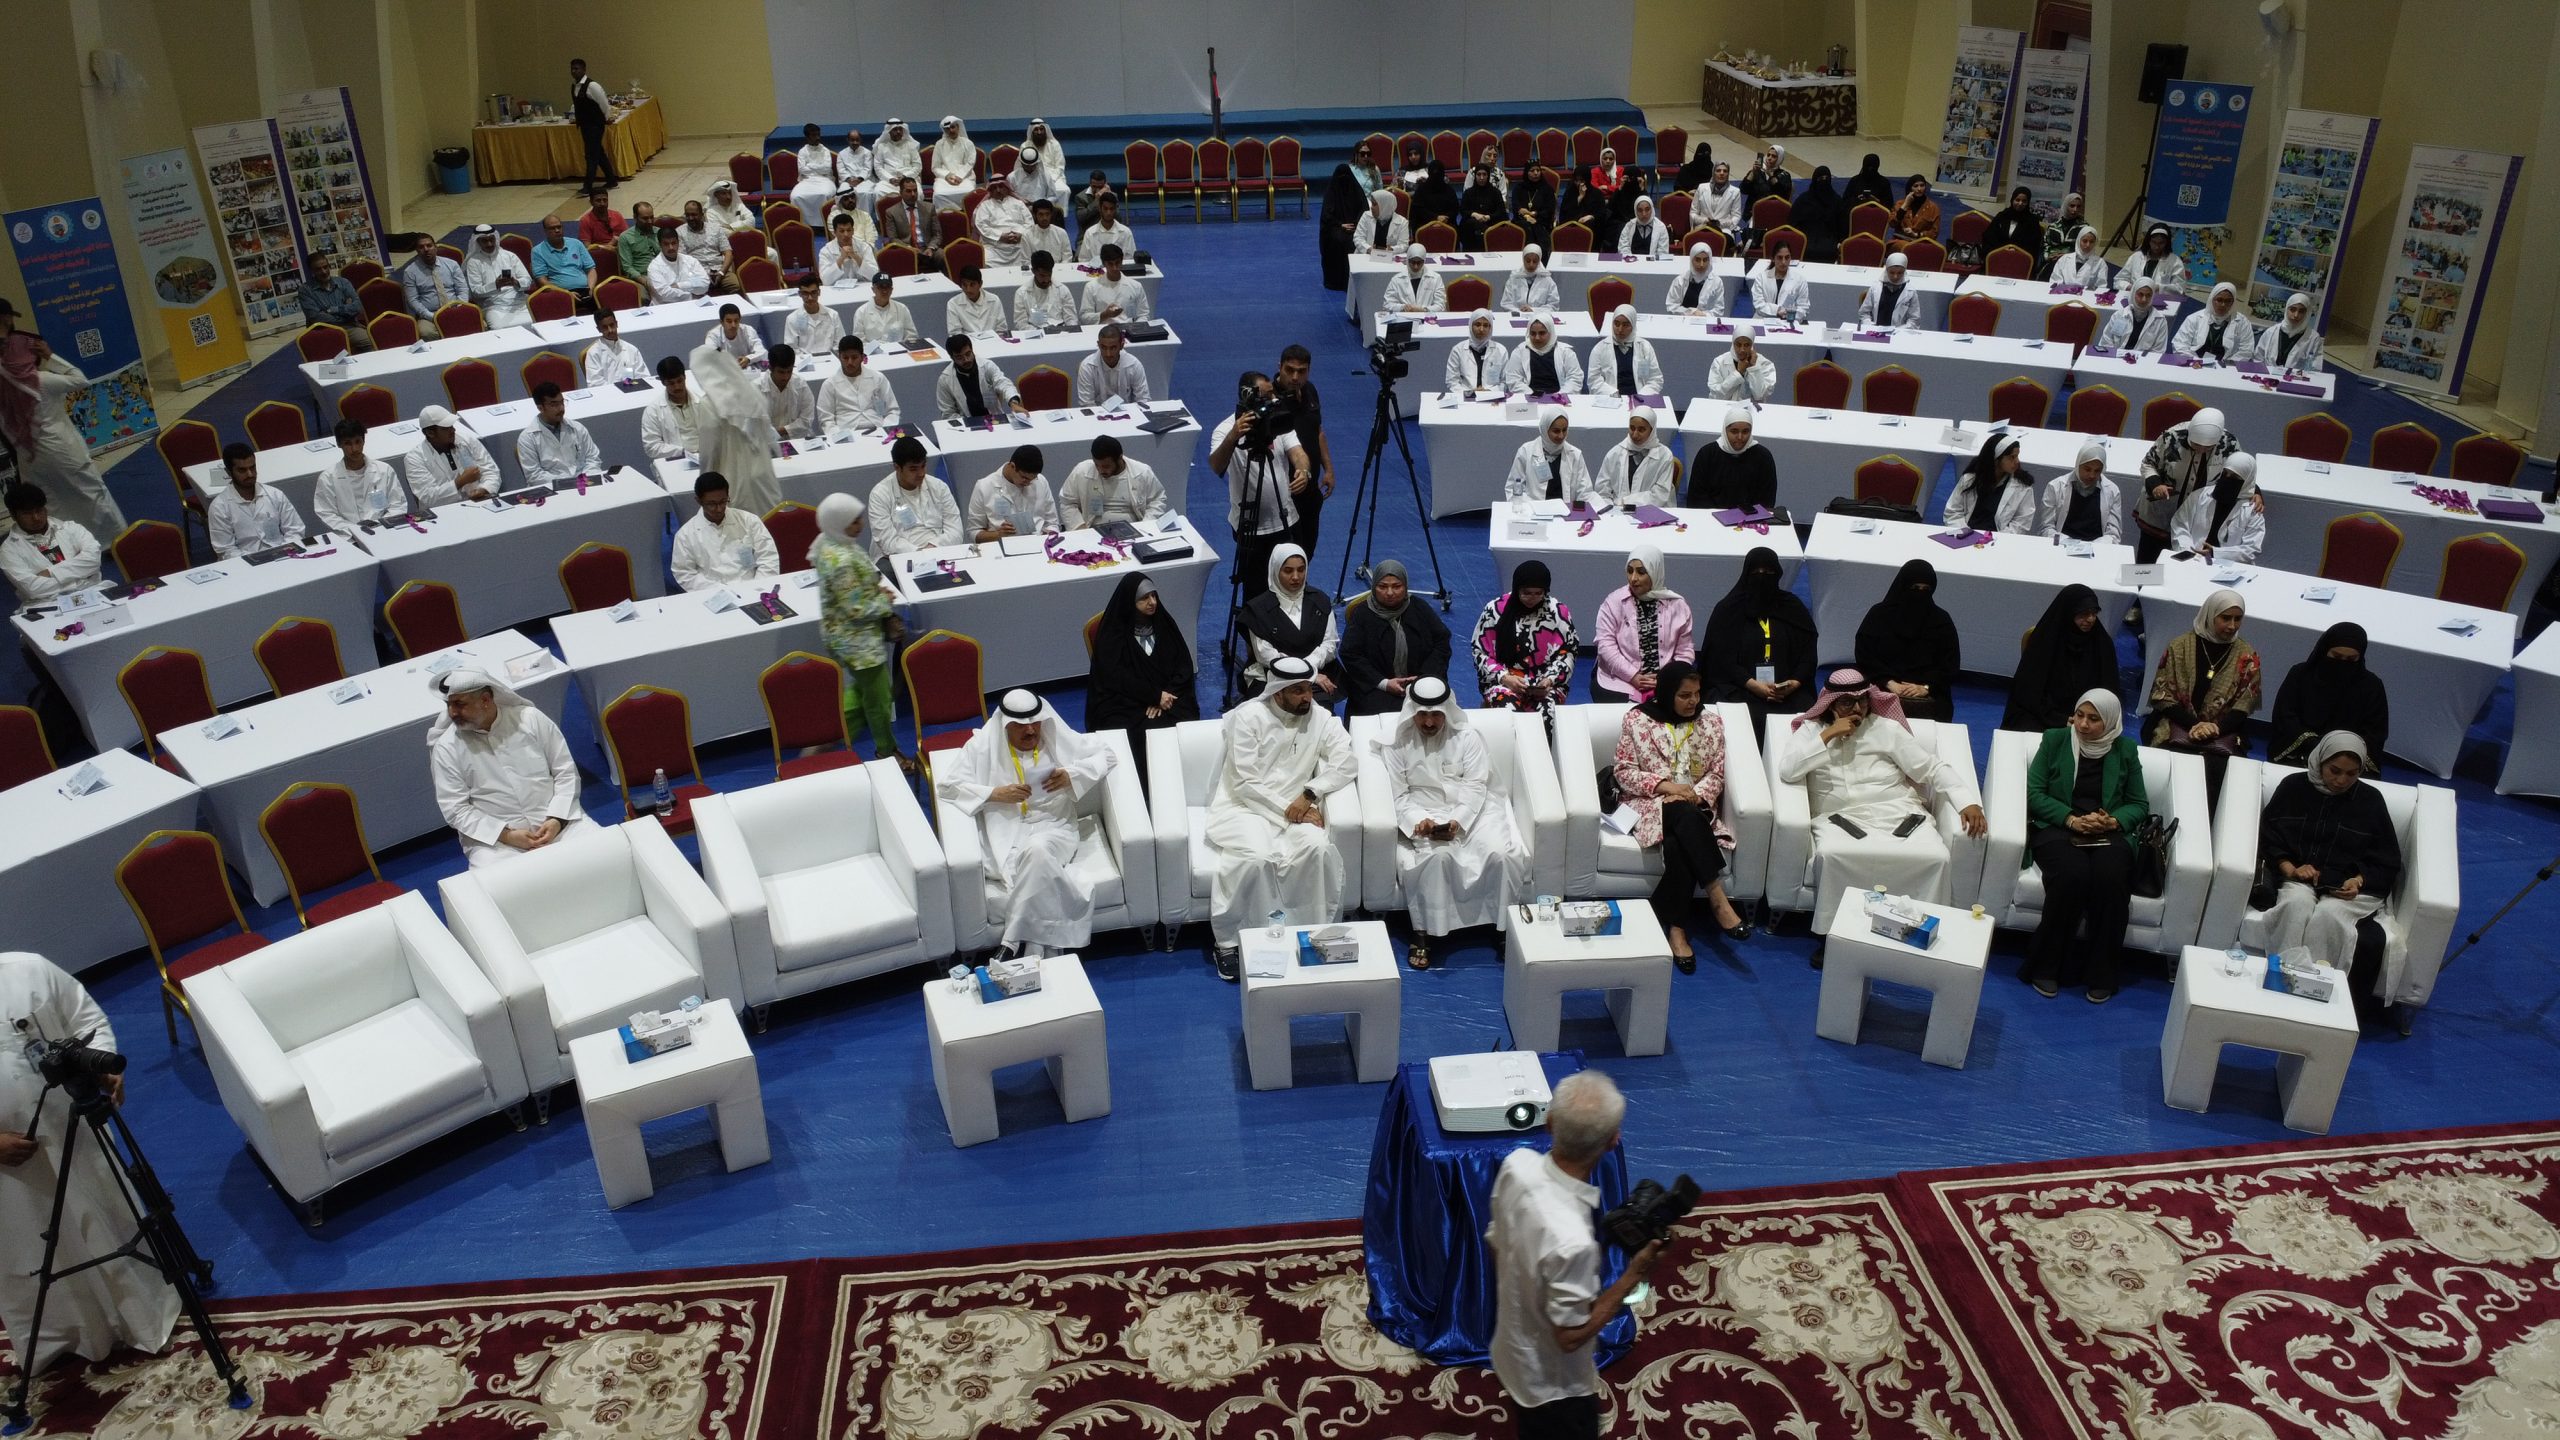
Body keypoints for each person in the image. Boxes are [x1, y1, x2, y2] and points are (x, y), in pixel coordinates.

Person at [0, 951, 182, 1379]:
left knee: (106, 1219)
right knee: (30, 1246)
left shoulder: (28, 969)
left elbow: (86, 1021)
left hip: (74, 1128)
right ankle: (61, 1336)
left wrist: (103, 1066)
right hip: (8, 1169)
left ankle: (141, 1316)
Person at [1487, 1069, 1661, 1440]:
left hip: (1510, 1347)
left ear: (1549, 1122)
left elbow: (1495, 1243)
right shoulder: (1573, 1242)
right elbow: (1569, 1338)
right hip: (1553, 1388)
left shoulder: (1516, 1164)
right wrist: (1633, 1275)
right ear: (1613, 1142)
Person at [1781, 669, 1987, 965]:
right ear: (1830, 703)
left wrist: (1967, 801)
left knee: (1936, 857)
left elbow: (1930, 768)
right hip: (1839, 818)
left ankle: (1920, 936)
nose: (1857, 709)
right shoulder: (1812, 730)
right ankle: (1832, 937)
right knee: (1833, 855)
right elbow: (1788, 771)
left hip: (1897, 811)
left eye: (1862, 701)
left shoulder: (1886, 728)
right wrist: (1829, 734)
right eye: (1847, 703)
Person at [1203, 655, 1358, 977]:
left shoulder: (1321, 718)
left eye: (1309, 689)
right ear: (1278, 691)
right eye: (1298, 691)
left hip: (1298, 809)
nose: (1307, 698)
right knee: (1257, 857)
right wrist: (1291, 811)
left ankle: (1314, 935)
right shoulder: (1247, 718)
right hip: (1243, 808)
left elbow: (1347, 761)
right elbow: (1245, 783)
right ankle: (1229, 943)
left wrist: (1310, 793)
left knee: (1319, 849)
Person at [937, 690, 1119, 956]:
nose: (1031, 731)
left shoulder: (1056, 740)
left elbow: (1108, 756)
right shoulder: (982, 747)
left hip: (1056, 827)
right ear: (1005, 725)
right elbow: (948, 787)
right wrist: (994, 794)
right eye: (1021, 726)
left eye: (1035, 723)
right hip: (1006, 834)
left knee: (1038, 850)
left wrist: (1072, 775)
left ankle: (1010, 942)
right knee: (1038, 864)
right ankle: (1038, 950)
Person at [1380, 677, 1529, 966]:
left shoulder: (1468, 737)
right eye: (1422, 715)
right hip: (1422, 810)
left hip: (1474, 811)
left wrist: (1457, 822)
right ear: (1412, 712)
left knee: (1500, 853)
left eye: (1436, 714)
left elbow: (1476, 785)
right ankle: (1424, 932)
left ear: (1447, 711)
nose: (1429, 722)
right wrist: (1419, 822)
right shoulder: (1397, 742)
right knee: (1438, 858)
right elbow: (1398, 796)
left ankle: (1503, 929)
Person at [1613, 660, 1754, 962]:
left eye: (1697, 694)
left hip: (1694, 807)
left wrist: (1693, 796)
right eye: (1685, 695)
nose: (1694, 701)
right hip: (1649, 803)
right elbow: (1623, 772)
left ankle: (1676, 929)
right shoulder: (1637, 720)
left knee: (1680, 840)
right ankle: (1717, 897)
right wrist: (1666, 787)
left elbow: (1716, 774)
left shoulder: (1711, 723)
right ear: (1666, 693)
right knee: (1683, 816)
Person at [2017, 689, 2148, 1001]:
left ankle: (2101, 973)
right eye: (2079, 715)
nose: (2083, 724)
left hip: (2107, 830)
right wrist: (2071, 819)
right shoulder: (2054, 740)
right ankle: (2046, 967)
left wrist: (2113, 821)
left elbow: (2138, 803)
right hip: (2058, 827)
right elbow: (2034, 793)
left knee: (2111, 880)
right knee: (2072, 876)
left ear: (2111, 722)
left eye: (2093, 719)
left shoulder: (2126, 749)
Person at [2258, 731, 2402, 1000]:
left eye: (2351, 774)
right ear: (2319, 761)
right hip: (2298, 879)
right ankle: (2279, 983)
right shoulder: (2293, 787)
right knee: (2295, 905)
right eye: (2334, 771)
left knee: (2329, 915)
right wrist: (2290, 868)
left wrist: (2358, 880)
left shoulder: (2370, 801)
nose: (2341, 780)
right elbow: (2268, 835)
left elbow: (2386, 858)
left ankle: (2315, 990)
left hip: (2347, 888)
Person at [429, 667, 591, 868]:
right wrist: (507, 835)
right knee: (499, 882)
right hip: (496, 843)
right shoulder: (446, 748)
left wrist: (557, 819)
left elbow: (565, 771)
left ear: (486, 700)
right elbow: (456, 809)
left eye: (460, 704)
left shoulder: (530, 719)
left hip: (560, 822)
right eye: (449, 705)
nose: (452, 713)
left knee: (604, 853)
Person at [805, 492, 910, 772]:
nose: (860, 525)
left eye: (859, 518)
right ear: (838, 522)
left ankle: (826, 741)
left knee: (865, 691)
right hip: (858, 642)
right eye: (852, 521)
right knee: (879, 700)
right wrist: (884, 601)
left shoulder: (831, 541)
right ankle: (886, 752)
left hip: (851, 638)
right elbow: (856, 608)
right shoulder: (840, 560)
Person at [0, 311, 126, 541]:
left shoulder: (4, 386)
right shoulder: (42, 380)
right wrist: (51, 356)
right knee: (91, 492)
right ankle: (114, 540)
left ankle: (66, 544)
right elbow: (80, 379)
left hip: (28, 455)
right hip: (61, 448)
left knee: (50, 501)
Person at [2147, 587, 2260, 803]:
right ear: (2210, 615)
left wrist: (2215, 728)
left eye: (2238, 619)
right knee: (2170, 774)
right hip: (2176, 724)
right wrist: (2195, 725)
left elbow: (2244, 704)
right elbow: (2162, 695)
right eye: (2225, 618)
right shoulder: (2179, 647)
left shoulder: (2247, 656)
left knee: (2220, 780)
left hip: (2222, 732)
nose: (2232, 626)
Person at [1086, 572, 1201, 773]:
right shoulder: (1113, 634)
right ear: (1130, 601)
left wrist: (1166, 696)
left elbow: (1183, 666)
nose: (1152, 602)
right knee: (1139, 732)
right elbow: (1114, 676)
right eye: (1144, 598)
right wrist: (1153, 696)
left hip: (1167, 697)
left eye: (1154, 596)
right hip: (1126, 699)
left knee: (1184, 720)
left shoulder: (1165, 625)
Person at [1698, 546, 1816, 735]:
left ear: (1777, 574)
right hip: (1741, 687)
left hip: (1787, 691)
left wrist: (1794, 682)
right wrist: (1752, 684)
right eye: (1756, 572)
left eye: (1769, 572)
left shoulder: (1792, 608)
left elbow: (1808, 653)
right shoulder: (1729, 610)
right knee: (1736, 719)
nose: (1762, 577)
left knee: (1807, 717)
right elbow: (1720, 658)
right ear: (1747, 574)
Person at [1471, 560, 1578, 728]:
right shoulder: (1494, 610)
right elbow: (1480, 651)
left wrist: (1550, 679)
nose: (1532, 598)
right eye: (1526, 593)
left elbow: (1568, 652)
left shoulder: (1558, 612)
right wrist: (1504, 677)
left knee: (1547, 716)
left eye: (1538, 593)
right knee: (1510, 717)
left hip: (1544, 683)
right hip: (1504, 680)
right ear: (1517, 589)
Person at [1340, 558, 1451, 717]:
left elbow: (1442, 643)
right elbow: (1350, 654)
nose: (1390, 593)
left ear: (1406, 586)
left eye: (1397, 586)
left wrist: (1423, 678)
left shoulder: (1420, 608)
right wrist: (1384, 683)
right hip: (1376, 688)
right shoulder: (1362, 614)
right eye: (1382, 586)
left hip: (1421, 683)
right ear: (1374, 587)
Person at [1853, 559, 1961, 721]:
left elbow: (1950, 665)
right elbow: (1865, 655)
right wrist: (1889, 682)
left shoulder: (1941, 621)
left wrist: (1926, 687)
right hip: (1882, 684)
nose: (1920, 594)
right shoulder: (1879, 615)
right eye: (1915, 588)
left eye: (1926, 589)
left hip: (1929, 691)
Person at [2270, 623, 2388, 769]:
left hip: (2348, 759)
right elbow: (2285, 716)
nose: (2342, 664)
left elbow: (2374, 733)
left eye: (2351, 660)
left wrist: (2340, 750)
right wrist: (2314, 744)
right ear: (2324, 651)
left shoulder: (2371, 686)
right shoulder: (2301, 674)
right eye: (2336, 656)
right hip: (2300, 752)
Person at [2002, 585, 2117, 733]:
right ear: (2069, 613)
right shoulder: (2045, 641)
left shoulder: (2101, 644)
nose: (2090, 619)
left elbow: (2109, 689)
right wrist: (2059, 719)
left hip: (2088, 713)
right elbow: (2028, 691)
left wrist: (2086, 716)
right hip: (2044, 711)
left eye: (2094, 613)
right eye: (2083, 614)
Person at [1240, 543, 1341, 700]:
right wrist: (1307, 674)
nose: (1296, 577)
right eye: (1288, 571)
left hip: (1318, 673)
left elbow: (1330, 644)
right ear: (1275, 570)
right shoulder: (1258, 609)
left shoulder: (1320, 600)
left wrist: (1308, 668)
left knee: (1322, 707)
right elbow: (1265, 655)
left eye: (1301, 570)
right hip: (1273, 676)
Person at [1593, 546, 1692, 705]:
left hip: (1664, 680)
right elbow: (1605, 646)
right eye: (1629, 571)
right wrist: (1632, 676)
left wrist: (1668, 679)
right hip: (1620, 679)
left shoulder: (1678, 606)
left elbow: (1684, 651)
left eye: (1641, 572)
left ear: (1655, 572)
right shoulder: (1613, 602)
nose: (1633, 578)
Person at [2136, 407, 2236, 563]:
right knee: (2148, 562)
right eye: (2196, 445)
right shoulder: (2171, 436)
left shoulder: (2228, 443)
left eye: (2207, 448)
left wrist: (2254, 491)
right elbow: (2148, 464)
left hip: (2195, 518)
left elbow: (2238, 471)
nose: (2201, 450)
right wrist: (2155, 485)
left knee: (2185, 561)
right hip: (2161, 512)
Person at [671, 470, 779, 592]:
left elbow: (769, 558)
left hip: (754, 588)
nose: (719, 509)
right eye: (711, 504)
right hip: (712, 592)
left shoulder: (749, 521)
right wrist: (720, 591)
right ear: (699, 501)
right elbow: (684, 573)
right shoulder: (685, 535)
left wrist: (758, 588)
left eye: (723, 502)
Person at [1, 481, 103, 603]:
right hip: (48, 605)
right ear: (13, 516)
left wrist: (50, 572)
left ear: (45, 509)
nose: (36, 518)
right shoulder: (8, 550)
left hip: (93, 592)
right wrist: (80, 575)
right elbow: (33, 589)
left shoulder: (71, 528)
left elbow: (94, 560)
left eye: (39, 510)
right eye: (27, 514)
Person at [865, 436, 964, 557]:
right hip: (896, 556)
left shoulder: (939, 487)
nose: (921, 473)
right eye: (913, 469)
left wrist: (933, 548)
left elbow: (955, 531)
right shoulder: (880, 494)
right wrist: (919, 554)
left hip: (938, 550)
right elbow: (888, 542)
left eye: (923, 466)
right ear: (897, 467)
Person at [205, 444, 307, 557]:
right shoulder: (219, 507)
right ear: (228, 472)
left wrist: (283, 552)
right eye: (242, 470)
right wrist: (257, 559)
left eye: (252, 467)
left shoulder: (275, 495)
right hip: (245, 562)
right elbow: (225, 550)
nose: (250, 474)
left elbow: (295, 530)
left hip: (283, 555)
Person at [312, 416, 412, 531]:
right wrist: (355, 531)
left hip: (385, 530)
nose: (354, 448)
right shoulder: (328, 478)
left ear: (363, 441)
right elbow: (326, 513)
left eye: (357, 442)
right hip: (348, 535)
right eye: (348, 443)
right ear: (339, 445)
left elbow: (397, 505)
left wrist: (381, 527)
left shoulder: (385, 470)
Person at [1059, 433, 1173, 530]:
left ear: (1120, 458)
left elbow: (1157, 500)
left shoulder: (1142, 472)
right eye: (1097, 465)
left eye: (1106, 466)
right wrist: (1080, 528)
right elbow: (1067, 502)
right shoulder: (1081, 471)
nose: (1100, 470)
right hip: (1092, 530)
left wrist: (1146, 526)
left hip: (1134, 529)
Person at [2169, 451, 2266, 564]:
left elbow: (2251, 549)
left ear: (2246, 480)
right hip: (2191, 560)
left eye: (2234, 477)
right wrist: (2188, 551)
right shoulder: (2199, 495)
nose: (2227, 479)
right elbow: (2179, 524)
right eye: (2225, 473)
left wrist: (2215, 552)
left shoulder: (2252, 511)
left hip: (2229, 566)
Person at [1684, 404, 1776, 512]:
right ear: (1725, 430)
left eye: (1745, 431)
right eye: (1734, 431)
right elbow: (1696, 497)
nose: (1740, 437)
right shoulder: (1707, 454)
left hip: (1751, 517)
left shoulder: (1763, 457)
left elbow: (1767, 499)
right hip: (1710, 517)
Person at [1943, 434, 2040, 535]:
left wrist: (1995, 538)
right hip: (1965, 536)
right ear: (1996, 459)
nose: (2017, 461)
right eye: (2012, 457)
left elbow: (2021, 524)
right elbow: (1952, 512)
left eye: (2017, 456)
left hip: (2000, 539)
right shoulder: (1969, 479)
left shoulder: (2023, 487)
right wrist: (1965, 533)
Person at [405, 405, 497, 506]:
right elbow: (428, 497)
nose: (453, 430)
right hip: (442, 511)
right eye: (446, 428)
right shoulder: (414, 458)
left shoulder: (467, 440)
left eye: (452, 426)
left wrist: (484, 489)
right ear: (430, 433)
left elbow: (491, 471)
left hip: (480, 502)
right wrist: (460, 481)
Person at [516, 381, 605, 484]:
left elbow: (593, 459)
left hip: (585, 483)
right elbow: (534, 476)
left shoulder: (577, 428)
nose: (561, 408)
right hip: (552, 488)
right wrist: (568, 483)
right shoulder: (527, 438)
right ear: (540, 408)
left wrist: (586, 479)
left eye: (562, 402)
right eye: (554, 405)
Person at [965, 445, 1057, 540]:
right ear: (1012, 466)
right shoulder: (984, 487)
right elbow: (973, 532)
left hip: (1039, 542)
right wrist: (998, 535)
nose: (1028, 483)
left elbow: (1052, 523)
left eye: (1032, 479)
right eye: (1024, 478)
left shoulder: (1041, 481)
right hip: (1001, 544)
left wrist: (1050, 533)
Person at [2042, 438, 2123, 543]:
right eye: (2087, 469)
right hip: (2063, 544)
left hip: (2097, 547)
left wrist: (2093, 546)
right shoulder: (2055, 487)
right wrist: (2069, 543)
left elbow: (2113, 534)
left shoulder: (2113, 491)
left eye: (2097, 471)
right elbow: (2046, 528)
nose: (2092, 475)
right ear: (2077, 465)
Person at [1504, 408, 1592, 503]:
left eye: (1564, 430)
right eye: (1556, 431)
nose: (1561, 436)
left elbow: (1585, 492)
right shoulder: (1526, 451)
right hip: (1532, 509)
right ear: (1545, 429)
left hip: (1565, 510)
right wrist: (1532, 507)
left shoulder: (1575, 455)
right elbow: (1513, 488)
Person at [1593, 411, 1677, 507]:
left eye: (1641, 430)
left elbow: (1660, 495)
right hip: (1617, 511)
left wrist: (1624, 501)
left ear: (1652, 430)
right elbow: (1602, 491)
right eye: (1632, 428)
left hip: (1652, 511)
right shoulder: (1615, 453)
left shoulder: (1664, 456)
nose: (1635, 435)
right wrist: (1609, 507)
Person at [936, 335, 1025, 424]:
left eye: (968, 354)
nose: (966, 360)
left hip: (995, 420)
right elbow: (948, 413)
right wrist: (969, 423)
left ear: (972, 350)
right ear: (952, 358)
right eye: (959, 357)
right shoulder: (945, 380)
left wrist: (1013, 403)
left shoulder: (987, 366)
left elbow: (1003, 383)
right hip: (967, 424)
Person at [295, 249, 372, 349]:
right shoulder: (305, 290)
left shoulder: (343, 282)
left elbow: (357, 307)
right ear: (312, 271)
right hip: (323, 331)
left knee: (371, 341)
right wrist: (345, 314)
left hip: (348, 328)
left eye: (325, 267)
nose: (324, 272)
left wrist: (333, 310)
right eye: (318, 269)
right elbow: (316, 317)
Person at [817, 338, 899, 430]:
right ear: (839, 357)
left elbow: (893, 410)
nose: (850, 362)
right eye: (845, 358)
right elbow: (826, 420)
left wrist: (885, 429)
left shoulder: (878, 378)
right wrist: (838, 435)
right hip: (845, 432)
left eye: (854, 357)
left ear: (862, 357)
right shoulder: (829, 384)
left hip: (877, 427)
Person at [1583, 306, 1664, 398]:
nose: (1620, 329)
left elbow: (1656, 379)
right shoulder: (1600, 349)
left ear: (1633, 326)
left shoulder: (1645, 347)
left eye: (1625, 325)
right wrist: (1612, 393)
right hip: (1610, 398)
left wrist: (1642, 395)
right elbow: (1593, 380)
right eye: (1616, 324)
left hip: (1640, 399)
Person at [2173, 282, 2256, 365]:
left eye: (2228, 301)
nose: (2223, 305)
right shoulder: (2194, 319)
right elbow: (2179, 344)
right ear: (2212, 299)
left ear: (2233, 302)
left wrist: (2228, 364)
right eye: (2219, 300)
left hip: (2227, 367)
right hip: (2195, 364)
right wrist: (2195, 361)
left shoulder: (2242, 323)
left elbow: (2246, 350)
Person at [397, 232, 465, 333]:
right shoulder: (410, 272)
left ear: (435, 247)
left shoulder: (451, 264)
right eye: (421, 247)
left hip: (455, 308)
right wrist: (432, 316)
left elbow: (462, 289)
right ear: (417, 250)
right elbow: (413, 300)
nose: (426, 249)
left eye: (429, 245)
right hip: (430, 315)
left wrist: (460, 308)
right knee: (426, 332)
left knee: (480, 324)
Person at [1075, 324, 1152, 406]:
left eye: (1113, 348)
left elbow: (1143, 400)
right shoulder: (1087, 367)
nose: (1108, 354)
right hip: (1097, 412)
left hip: (1128, 412)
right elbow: (1087, 404)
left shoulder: (1134, 365)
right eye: (1104, 347)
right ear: (1098, 345)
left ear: (1121, 345)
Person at [641, 356, 701, 460]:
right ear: (663, 382)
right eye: (671, 383)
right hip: (676, 460)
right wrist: (681, 452)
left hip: (707, 456)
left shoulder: (703, 401)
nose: (677, 387)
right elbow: (651, 447)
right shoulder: (652, 411)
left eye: (679, 381)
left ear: (685, 377)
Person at [529, 215, 595, 308]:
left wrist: (591, 288)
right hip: (559, 294)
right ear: (545, 231)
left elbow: (591, 269)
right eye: (552, 228)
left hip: (586, 290)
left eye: (559, 227)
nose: (557, 230)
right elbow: (542, 280)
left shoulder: (576, 243)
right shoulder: (537, 251)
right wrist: (565, 294)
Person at [1503, 318, 1583, 394]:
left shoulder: (1566, 352)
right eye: (1533, 333)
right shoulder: (1519, 351)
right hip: (1528, 397)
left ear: (1550, 333)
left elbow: (1575, 379)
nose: (1537, 338)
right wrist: (1531, 395)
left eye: (1542, 333)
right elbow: (1513, 379)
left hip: (1560, 398)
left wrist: (1559, 396)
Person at [567, 57, 614, 187]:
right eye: (572, 69)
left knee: (591, 155)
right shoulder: (574, 86)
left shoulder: (592, 86)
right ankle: (611, 180)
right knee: (598, 152)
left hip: (595, 125)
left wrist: (607, 117)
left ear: (584, 70)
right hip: (585, 125)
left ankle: (587, 186)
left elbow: (603, 102)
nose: (573, 71)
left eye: (576, 68)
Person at [2254, 292, 2328, 373]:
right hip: (2267, 376)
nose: (2296, 315)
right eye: (2292, 309)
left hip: (2296, 379)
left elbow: (2315, 369)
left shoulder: (2313, 338)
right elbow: (2258, 358)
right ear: (2286, 309)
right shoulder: (2271, 332)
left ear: (2307, 313)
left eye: (2301, 311)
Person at [1318, 164, 1364, 291]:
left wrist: (1356, 224)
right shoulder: (1331, 194)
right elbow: (1327, 216)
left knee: (1353, 241)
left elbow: (1363, 210)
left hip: (1355, 227)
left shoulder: (1356, 192)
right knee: (1337, 240)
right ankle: (1335, 281)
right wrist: (1340, 225)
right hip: (1336, 226)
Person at [971, 177, 1034, 266]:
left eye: (1001, 186)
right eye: (994, 188)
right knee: (986, 263)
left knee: (1032, 262)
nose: (998, 190)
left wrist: (1021, 234)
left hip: (1020, 244)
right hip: (995, 248)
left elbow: (1029, 222)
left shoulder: (1018, 203)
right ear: (990, 190)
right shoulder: (985, 206)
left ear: (1006, 187)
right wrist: (1000, 236)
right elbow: (981, 226)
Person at [581, 307, 649, 388]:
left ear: (616, 324)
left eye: (612, 325)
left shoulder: (631, 349)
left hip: (633, 391)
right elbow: (595, 384)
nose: (610, 330)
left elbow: (643, 377)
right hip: (608, 394)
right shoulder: (593, 353)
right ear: (599, 329)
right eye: (605, 327)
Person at [1445, 309, 1509, 394]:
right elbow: (1452, 381)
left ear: (1490, 328)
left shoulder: (1501, 350)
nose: (1481, 329)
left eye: (1485, 325)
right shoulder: (1458, 350)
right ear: (1471, 325)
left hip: (1493, 396)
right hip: (1465, 396)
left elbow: (1506, 381)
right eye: (1477, 325)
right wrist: (1469, 393)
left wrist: (1489, 392)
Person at [879, 177, 940, 266]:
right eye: (908, 191)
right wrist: (908, 248)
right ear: (901, 192)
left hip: (928, 248)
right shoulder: (891, 212)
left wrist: (931, 248)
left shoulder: (929, 208)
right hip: (906, 250)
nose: (913, 194)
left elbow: (937, 234)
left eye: (915, 190)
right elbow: (893, 238)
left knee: (943, 256)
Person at [2098, 279, 2171, 354]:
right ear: (2133, 294)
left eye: (2148, 295)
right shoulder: (2119, 315)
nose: (2144, 299)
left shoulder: (2160, 321)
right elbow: (2106, 341)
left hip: (2144, 360)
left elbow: (2158, 351)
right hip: (2115, 357)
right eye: (2140, 294)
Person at [1080, 245, 1150, 324]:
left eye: (1117, 263)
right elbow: (1084, 317)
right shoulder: (1091, 287)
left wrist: (1135, 328)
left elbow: (1144, 314)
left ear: (1122, 261)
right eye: (1110, 264)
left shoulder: (1136, 286)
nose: (1115, 268)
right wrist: (1105, 314)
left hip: (1129, 328)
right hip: (1102, 329)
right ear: (1104, 264)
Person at [784, 277, 847, 363]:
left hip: (831, 360)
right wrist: (804, 360)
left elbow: (840, 342)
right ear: (800, 294)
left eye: (813, 293)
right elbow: (791, 347)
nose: (810, 298)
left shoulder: (833, 315)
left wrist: (832, 359)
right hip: (805, 362)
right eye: (805, 293)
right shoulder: (792, 319)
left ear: (819, 292)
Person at [675, 201, 735, 290]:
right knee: (697, 288)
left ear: (702, 215)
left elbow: (728, 253)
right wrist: (702, 275)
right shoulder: (680, 232)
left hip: (719, 269)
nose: (690, 218)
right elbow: (683, 259)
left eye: (694, 215)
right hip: (697, 273)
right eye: (687, 215)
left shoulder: (716, 229)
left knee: (734, 285)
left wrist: (722, 272)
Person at [1792, 165, 1847, 262]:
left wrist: (1840, 243)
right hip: (1806, 243)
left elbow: (1842, 226)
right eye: (1820, 179)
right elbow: (1793, 223)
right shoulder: (1803, 200)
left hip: (1830, 245)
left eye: (1826, 179)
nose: (1823, 181)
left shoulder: (1836, 201)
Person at [851, 272, 920, 349]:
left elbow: (912, 337)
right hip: (872, 354)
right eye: (880, 287)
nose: (884, 291)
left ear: (892, 289)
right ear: (873, 289)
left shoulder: (902, 309)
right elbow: (858, 342)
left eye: (887, 287)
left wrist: (900, 348)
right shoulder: (861, 312)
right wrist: (879, 349)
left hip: (899, 351)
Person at [646, 224, 711, 304]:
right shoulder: (654, 267)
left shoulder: (690, 260)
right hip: (666, 308)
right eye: (666, 244)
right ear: (660, 245)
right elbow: (664, 295)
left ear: (678, 242)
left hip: (692, 306)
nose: (671, 247)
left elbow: (705, 284)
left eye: (674, 243)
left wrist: (679, 285)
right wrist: (691, 295)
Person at [1013, 250, 1078, 330]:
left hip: (1061, 331)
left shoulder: (1062, 290)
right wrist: (1039, 332)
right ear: (1033, 271)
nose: (1046, 280)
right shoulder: (1021, 293)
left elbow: (1071, 318)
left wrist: (1069, 330)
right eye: (1042, 275)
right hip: (1035, 333)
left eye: (1049, 275)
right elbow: (1020, 323)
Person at [2117, 222, 2186, 296]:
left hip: (2161, 300)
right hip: (2135, 297)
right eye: (2154, 242)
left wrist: (2159, 288)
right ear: (2148, 241)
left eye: (2161, 243)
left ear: (2167, 243)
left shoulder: (2175, 261)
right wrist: (2131, 287)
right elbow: (2119, 280)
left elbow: (2180, 289)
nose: (2157, 247)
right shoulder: (2136, 257)